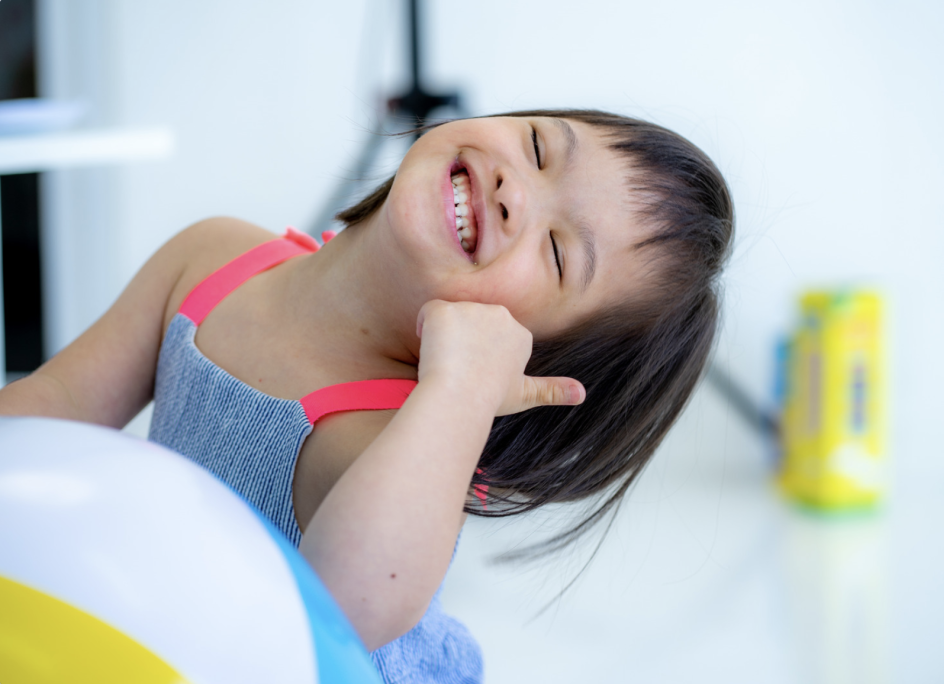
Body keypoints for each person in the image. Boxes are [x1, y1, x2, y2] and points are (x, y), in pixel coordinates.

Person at [0, 109, 733, 683]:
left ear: (527, 351)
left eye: (556, 252)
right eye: (540, 147)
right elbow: (59, 401)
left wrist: (459, 393)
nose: (518, 193)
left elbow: (340, 609)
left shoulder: (391, 432)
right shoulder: (213, 255)